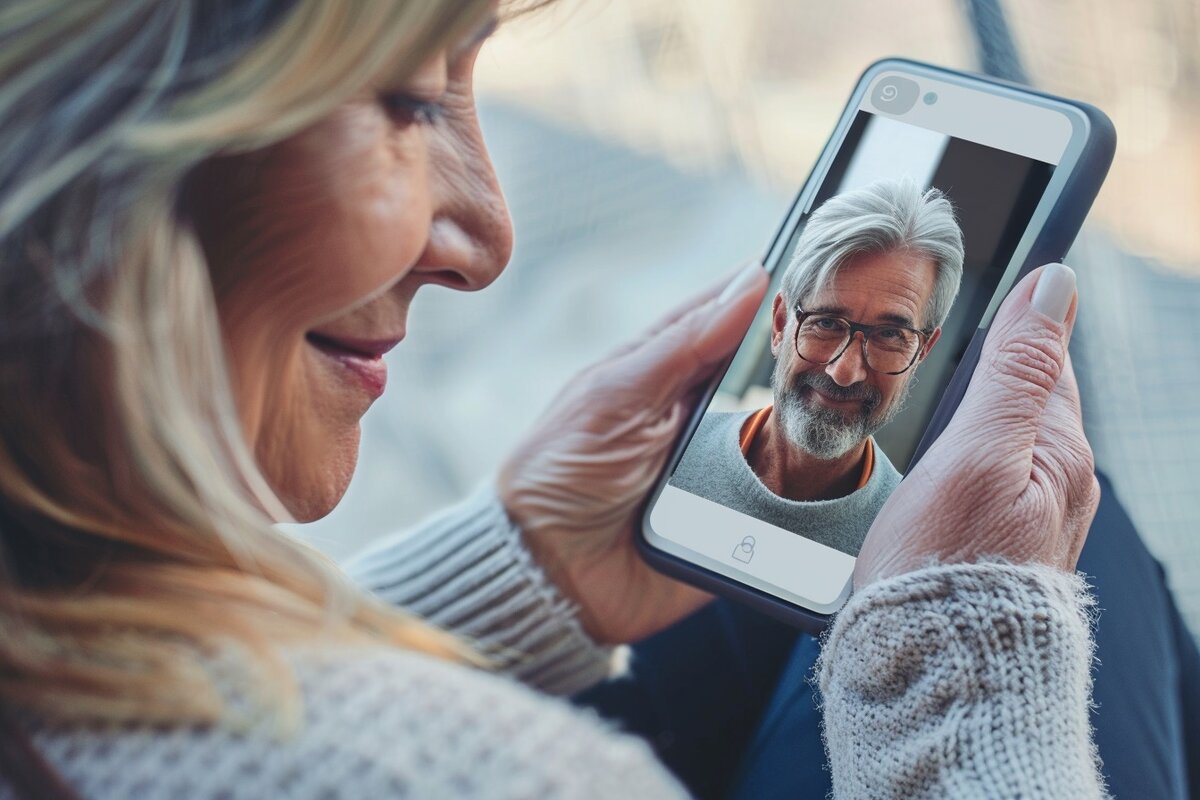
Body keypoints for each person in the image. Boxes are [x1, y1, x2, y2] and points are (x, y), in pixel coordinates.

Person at [0, 1, 1128, 797]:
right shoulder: (513, 778)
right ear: (87, 138)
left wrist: (517, 566)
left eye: (887, 335)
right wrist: (966, 673)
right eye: (411, 102)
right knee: (1085, 538)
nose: (490, 237)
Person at [671, 179, 964, 554]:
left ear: (922, 351)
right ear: (780, 324)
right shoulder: (665, 455)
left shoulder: (911, 546)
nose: (845, 372)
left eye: (890, 334)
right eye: (826, 323)